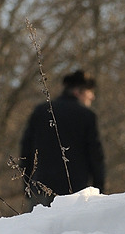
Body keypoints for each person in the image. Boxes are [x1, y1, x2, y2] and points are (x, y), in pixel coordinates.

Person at [20, 69, 106, 208]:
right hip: (74, 194)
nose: (92, 97)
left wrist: (27, 185)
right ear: (77, 91)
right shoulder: (86, 116)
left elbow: (26, 150)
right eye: (90, 92)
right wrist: (98, 189)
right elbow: (96, 156)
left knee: (37, 229)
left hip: (40, 191)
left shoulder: (40, 111)